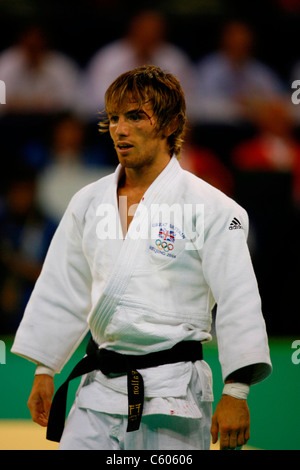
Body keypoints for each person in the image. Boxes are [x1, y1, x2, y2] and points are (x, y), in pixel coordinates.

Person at [11, 65, 272, 451]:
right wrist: (45, 368)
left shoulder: (213, 209)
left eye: (135, 116)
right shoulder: (88, 201)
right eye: (114, 118)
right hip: (97, 391)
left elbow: (238, 300)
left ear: (171, 124)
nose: (119, 128)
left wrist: (236, 392)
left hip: (174, 396)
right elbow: (63, 287)